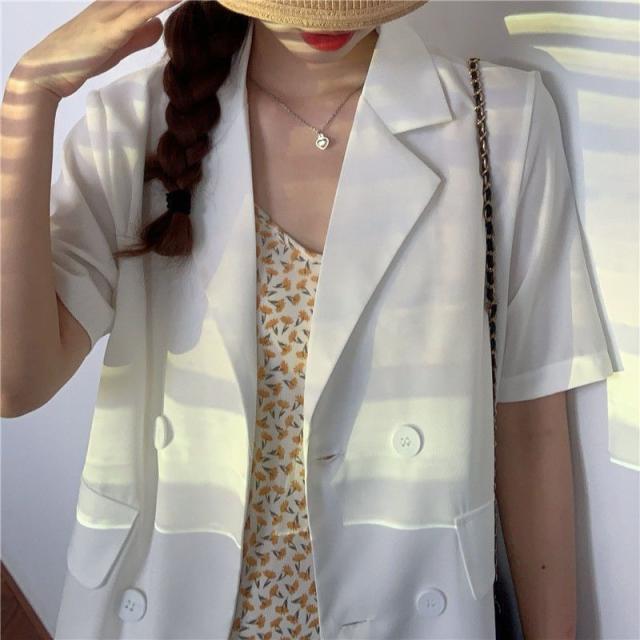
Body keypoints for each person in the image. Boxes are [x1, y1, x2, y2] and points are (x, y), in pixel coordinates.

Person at [0, 1, 623, 639]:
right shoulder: (136, 124)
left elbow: (530, 423)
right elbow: (15, 385)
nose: (325, 12)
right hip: (171, 607)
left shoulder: (501, 119)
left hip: (407, 609)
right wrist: (29, 96)